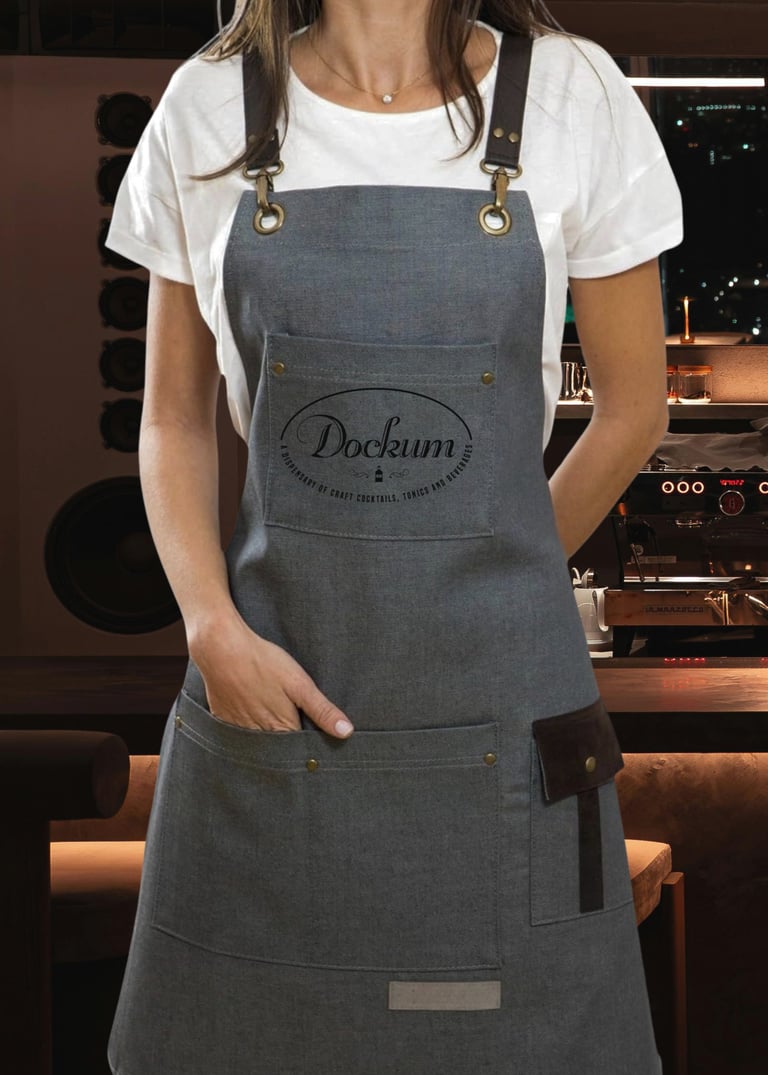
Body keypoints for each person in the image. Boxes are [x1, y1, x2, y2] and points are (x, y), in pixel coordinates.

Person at [104, 1, 683, 1071]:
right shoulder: (210, 101)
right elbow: (173, 418)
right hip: (275, 697)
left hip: (503, 710)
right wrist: (209, 628)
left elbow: (635, 409)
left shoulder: (574, 95)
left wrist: (496, 567)